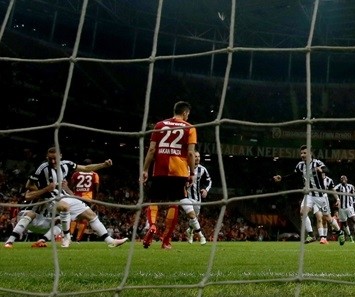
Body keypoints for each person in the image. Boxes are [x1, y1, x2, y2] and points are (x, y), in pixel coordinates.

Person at [6, 146, 127, 248]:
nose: (53, 161)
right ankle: (66, 237)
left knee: (91, 215)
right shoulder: (42, 168)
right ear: (46, 157)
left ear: (61, 156)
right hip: (51, 199)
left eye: (55, 159)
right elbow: (29, 185)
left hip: (64, 196)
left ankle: (111, 241)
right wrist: (45, 191)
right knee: (64, 207)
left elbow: (85, 168)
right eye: (50, 159)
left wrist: (103, 165)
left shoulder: (67, 164)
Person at [141, 101, 199, 250]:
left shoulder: (159, 125)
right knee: (174, 203)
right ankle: (165, 241)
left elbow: (152, 150)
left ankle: (152, 226)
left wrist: (145, 169)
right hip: (179, 171)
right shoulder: (190, 128)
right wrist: (192, 172)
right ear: (185, 113)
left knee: (154, 200)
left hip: (160, 169)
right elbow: (191, 153)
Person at [272, 145, 345, 246]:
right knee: (302, 213)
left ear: (310, 153)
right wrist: (282, 178)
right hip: (309, 194)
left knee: (328, 218)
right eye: (301, 153)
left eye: (304, 153)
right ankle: (311, 235)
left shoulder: (317, 163)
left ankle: (340, 232)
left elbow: (327, 169)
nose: (302, 155)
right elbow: (293, 175)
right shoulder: (300, 165)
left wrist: (321, 170)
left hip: (320, 195)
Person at [68, 158, 99, 242]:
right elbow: (96, 189)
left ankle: (70, 236)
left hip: (76, 197)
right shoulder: (94, 174)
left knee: (74, 217)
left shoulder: (76, 174)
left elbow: (71, 186)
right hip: (87, 198)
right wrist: (94, 200)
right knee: (84, 219)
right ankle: (78, 239)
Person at [185, 151, 212, 245]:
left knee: (194, 218)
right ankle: (201, 236)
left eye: (199, 156)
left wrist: (206, 190)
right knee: (192, 216)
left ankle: (190, 231)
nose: (197, 158)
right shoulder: (185, 167)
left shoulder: (203, 169)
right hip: (186, 197)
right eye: (195, 156)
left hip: (197, 198)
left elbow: (209, 181)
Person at [334, 175, 355, 243]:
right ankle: (350, 236)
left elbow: (353, 194)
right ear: (340, 180)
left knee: (354, 220)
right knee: (344, 223)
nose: (343, 179)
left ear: (347, 179)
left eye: (344, 178)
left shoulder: (350, 186)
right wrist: (337, 199)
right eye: (341, 178)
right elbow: (334, 190)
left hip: (349, 207)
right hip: (341, 208)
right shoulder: (339, 186)